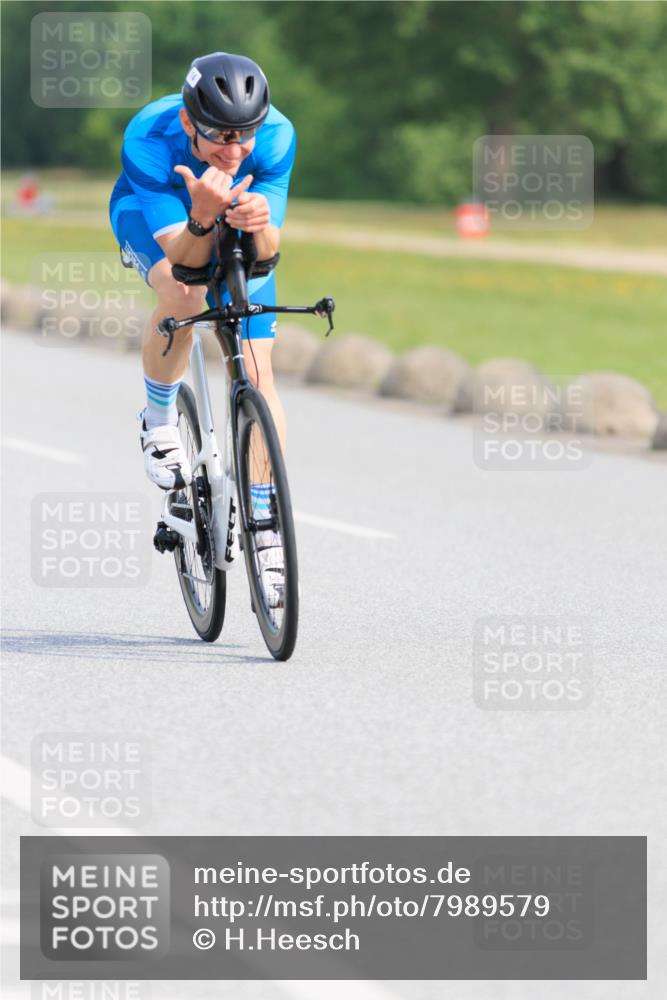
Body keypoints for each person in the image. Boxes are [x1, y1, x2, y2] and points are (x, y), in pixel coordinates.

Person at [109, 52, 296, 496]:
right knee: (182, 291)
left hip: (227, 210)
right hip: (155, 211)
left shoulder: (276, 136)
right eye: (220, 136)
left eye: (245, 135)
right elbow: (181, 257)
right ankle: (157, 421)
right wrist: (202, 218)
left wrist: (256, 225)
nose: (234, 151)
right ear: (189, 123)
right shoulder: (148, 136)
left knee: (255, 368)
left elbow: (268, 253)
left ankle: (265, 511)